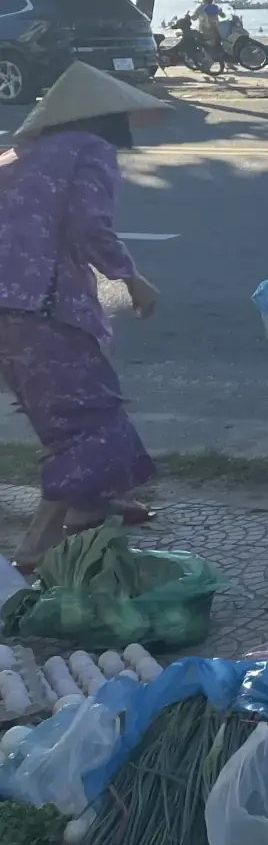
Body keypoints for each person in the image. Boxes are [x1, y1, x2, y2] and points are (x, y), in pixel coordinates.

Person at [0, 64, 169, 567]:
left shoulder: (18, 156)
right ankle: (37, 543)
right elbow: (88, 227)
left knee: (56, 411)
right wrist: (133, 279)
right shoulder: (90, 150)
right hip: (44, 306)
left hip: (8, 309)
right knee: (89, 417)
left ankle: (91, 504)